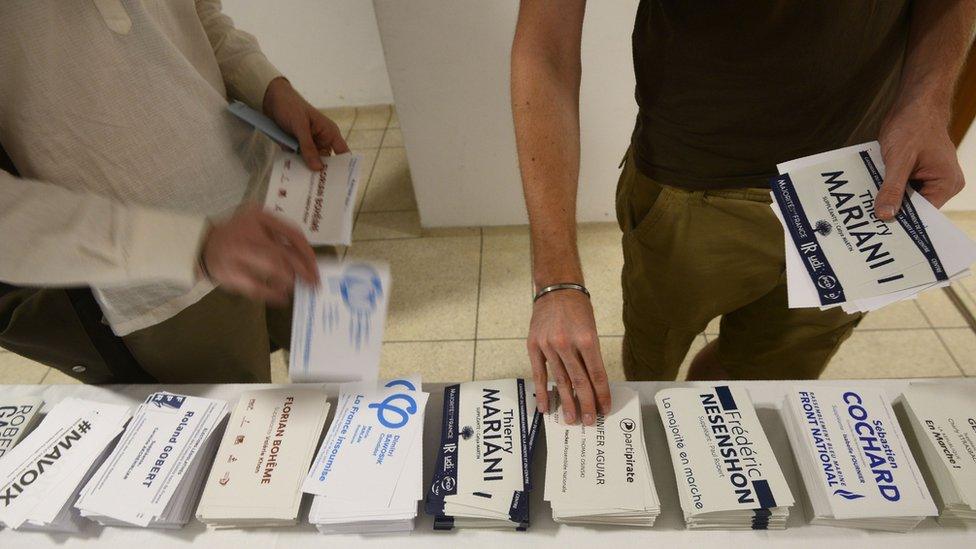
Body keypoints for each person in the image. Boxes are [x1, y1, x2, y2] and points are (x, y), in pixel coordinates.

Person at [511, 0, 974, 425]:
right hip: (690, 186)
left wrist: (928, 103)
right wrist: (558, 284)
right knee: (649, 372)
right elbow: (545, 45)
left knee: (761, 384)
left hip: (855, 186)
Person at [0, 0, 348, 382]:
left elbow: (197, 13)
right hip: (152, 267)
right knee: (243, 434)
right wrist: (191, 245)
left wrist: (267, 86)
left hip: (271, 182)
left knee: (347, 387)